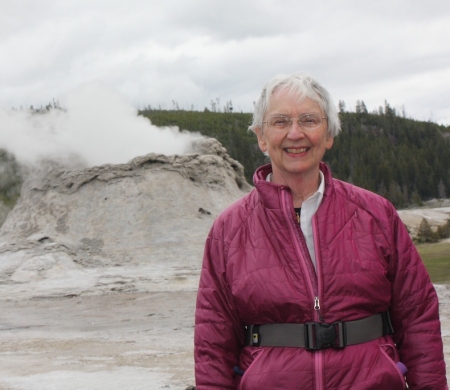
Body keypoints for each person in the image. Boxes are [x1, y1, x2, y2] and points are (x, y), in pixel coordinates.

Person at [194, 72, 447, 389]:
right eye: (280, 122)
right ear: (261, 136)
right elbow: (213, 342)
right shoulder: (230, 229)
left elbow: (418, 318)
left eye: (309, 120)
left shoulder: (376, 213)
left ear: (328, 134)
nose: (295, 133)